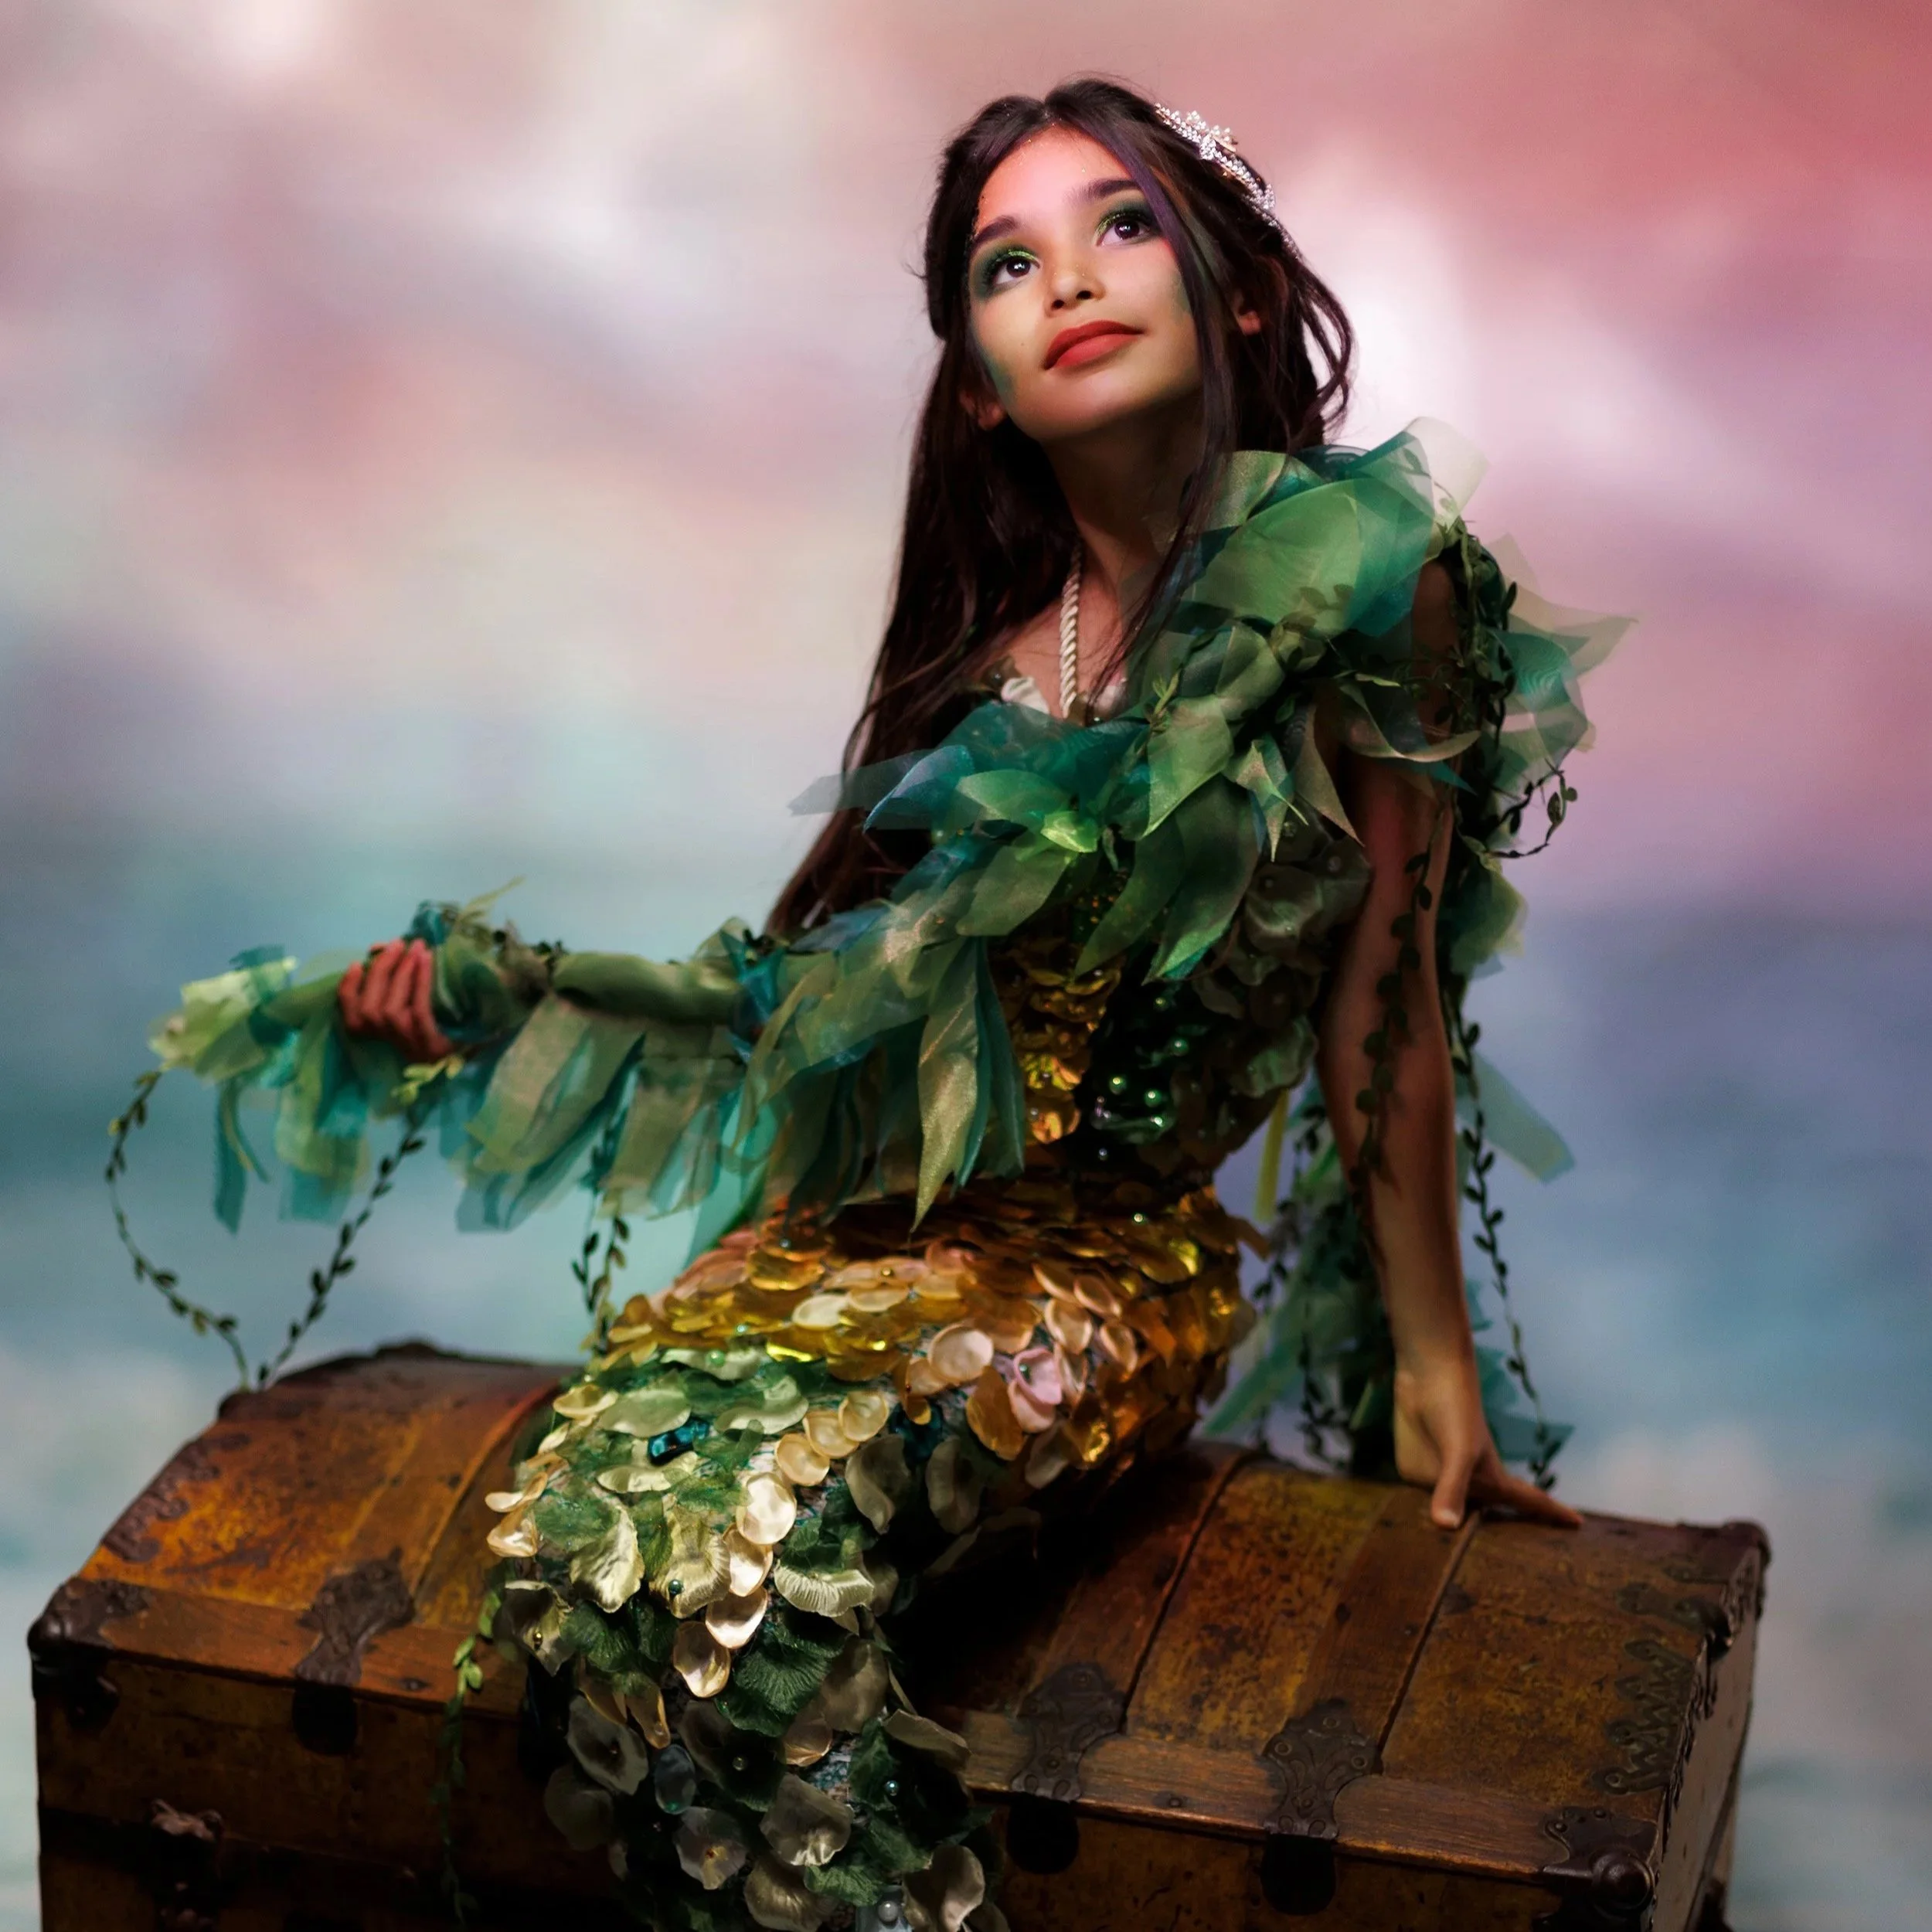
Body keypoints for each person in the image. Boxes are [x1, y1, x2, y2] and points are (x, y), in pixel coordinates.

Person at [144, 78, 1611, 1932]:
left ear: (1237, 292)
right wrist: (488, 1006)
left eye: (1123, 224)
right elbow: (805, 1021)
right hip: (851, 1252)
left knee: (728, 1562)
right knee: (584, 1538)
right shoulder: (979, 680)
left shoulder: (1365, 589)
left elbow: (1378, 1013)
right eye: (1010, 262)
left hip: (1098, 1274)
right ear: (980, 382)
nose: (1068, 275)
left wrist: (1430, 1377)